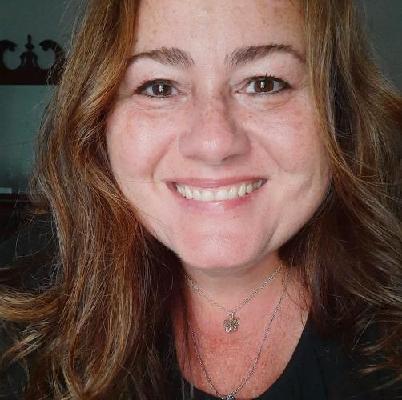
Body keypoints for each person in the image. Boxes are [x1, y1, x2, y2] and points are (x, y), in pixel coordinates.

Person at [0, 0, 401, 399]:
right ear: (99, 121)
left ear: (339, 111)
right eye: (159, 88)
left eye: (264, 83)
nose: (214, 144)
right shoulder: (16, 313)